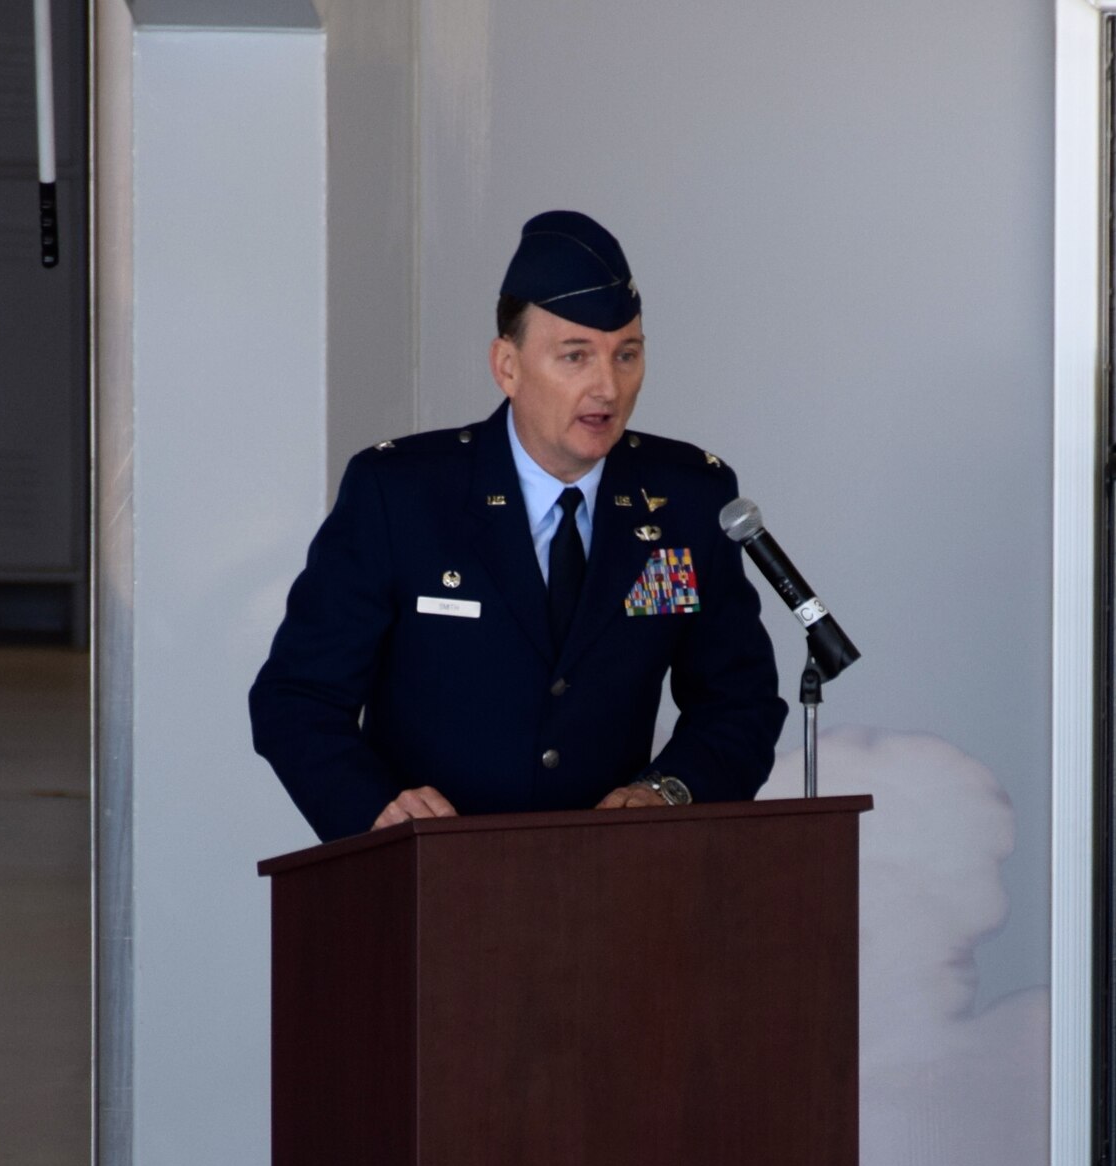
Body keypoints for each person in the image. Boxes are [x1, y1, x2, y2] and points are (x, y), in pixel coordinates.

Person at [249, 211, 787, 842]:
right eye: (575, 356)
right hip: (433, 874)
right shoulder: (401, 495)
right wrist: (378, 809)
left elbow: (740, 701)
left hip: (614, 874)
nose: (607, 387)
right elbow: (298, 696)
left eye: (627, 355)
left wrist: (667, 793)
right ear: (507, 366)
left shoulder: (685, 502)